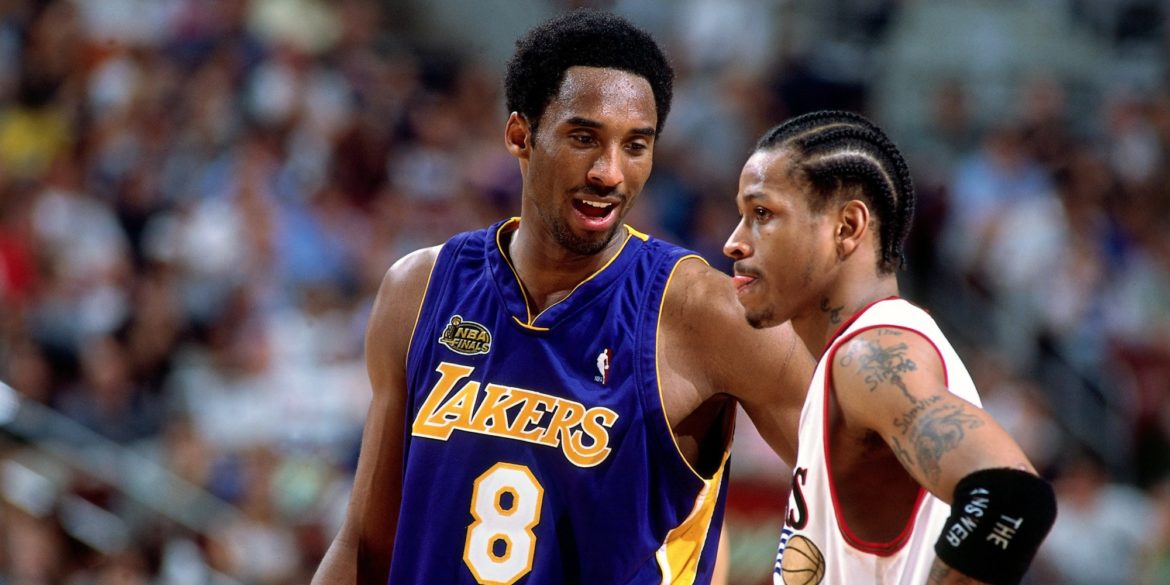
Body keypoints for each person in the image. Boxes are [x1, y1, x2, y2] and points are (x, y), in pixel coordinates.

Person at [312, 10, 812, 584]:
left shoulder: (704, 312)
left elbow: (855, 476)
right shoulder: (419, 290)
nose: (609, 172)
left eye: (636, 146)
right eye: (584, 138)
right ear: (520, 135)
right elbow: (364, 544)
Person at [722, 110, 1057, 585]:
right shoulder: (858, 355)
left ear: (847, 226)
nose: (734, 242)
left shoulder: (871, 356)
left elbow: (1010, 496)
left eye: (762, 214)